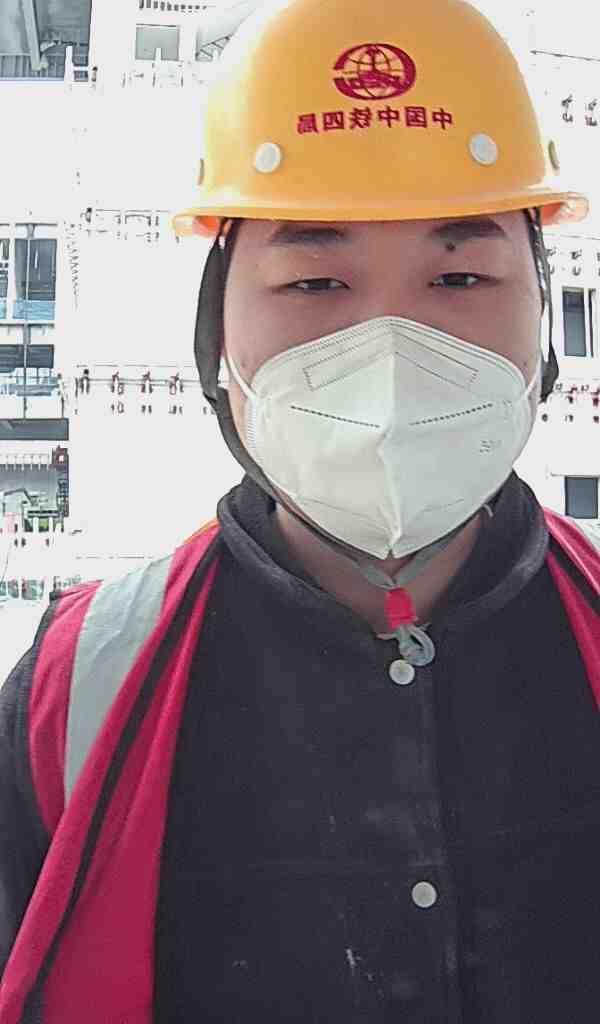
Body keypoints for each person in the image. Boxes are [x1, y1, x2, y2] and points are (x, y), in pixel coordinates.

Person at [1, 1, 599, 1021]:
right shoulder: (76, 695)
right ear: (216, 334)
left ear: (542, 319)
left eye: (460, 275)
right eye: (316, 281)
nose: (392, 348)